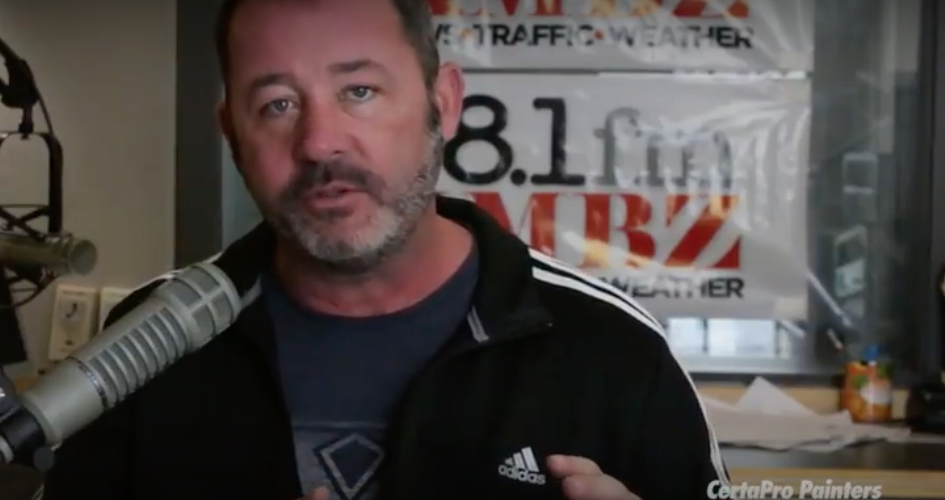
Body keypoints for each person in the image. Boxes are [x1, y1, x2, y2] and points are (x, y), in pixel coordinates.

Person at [42, 0, 730, 499]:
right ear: (231, 132)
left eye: (359, 91)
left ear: (444, 103)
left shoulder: (615, 350)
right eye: (278, 103)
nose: (319, 142)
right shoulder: (147, 346)